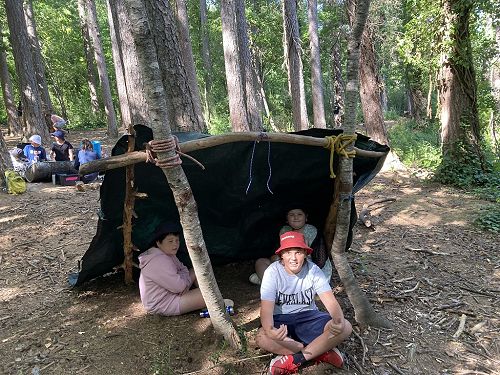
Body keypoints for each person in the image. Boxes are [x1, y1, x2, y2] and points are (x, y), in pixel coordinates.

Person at [256, 231, 352, 375]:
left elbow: (330, 301)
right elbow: (266, 310)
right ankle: (319, 351)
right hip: (281, 322)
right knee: (261, 337)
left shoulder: (313, 270)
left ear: (306, 254)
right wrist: (271, 331)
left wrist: (338, 321)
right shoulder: (272, 272)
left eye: (298, 252)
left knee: (346, 327)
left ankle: (297, 358)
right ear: (281, 255)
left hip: (309, 318)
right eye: (288, 253)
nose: (293, 258)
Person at [138, 222, 232, 316]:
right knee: (209, 294)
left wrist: (182, 282)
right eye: (170, 241)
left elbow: (183, 269)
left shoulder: (168, 253)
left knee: (197, 271)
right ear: (158, 243)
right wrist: (182, 284)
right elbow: (178, 287)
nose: (175, 244)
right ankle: (211, 304)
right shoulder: (158, 261)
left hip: (173, 292)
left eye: (177, 240)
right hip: (162, 304)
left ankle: (203, 302)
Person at [249, 206, 332, 285]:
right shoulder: (284, 230)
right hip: (288, 265)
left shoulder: (312, 231)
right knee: (261, 262)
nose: (296, 217)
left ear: (306, 218)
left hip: (310, 269)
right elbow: (277, 254)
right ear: (287, 219)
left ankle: (274, 284)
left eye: (299, 214)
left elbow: (320, 261)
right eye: (291, 215)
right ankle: (275, 284)